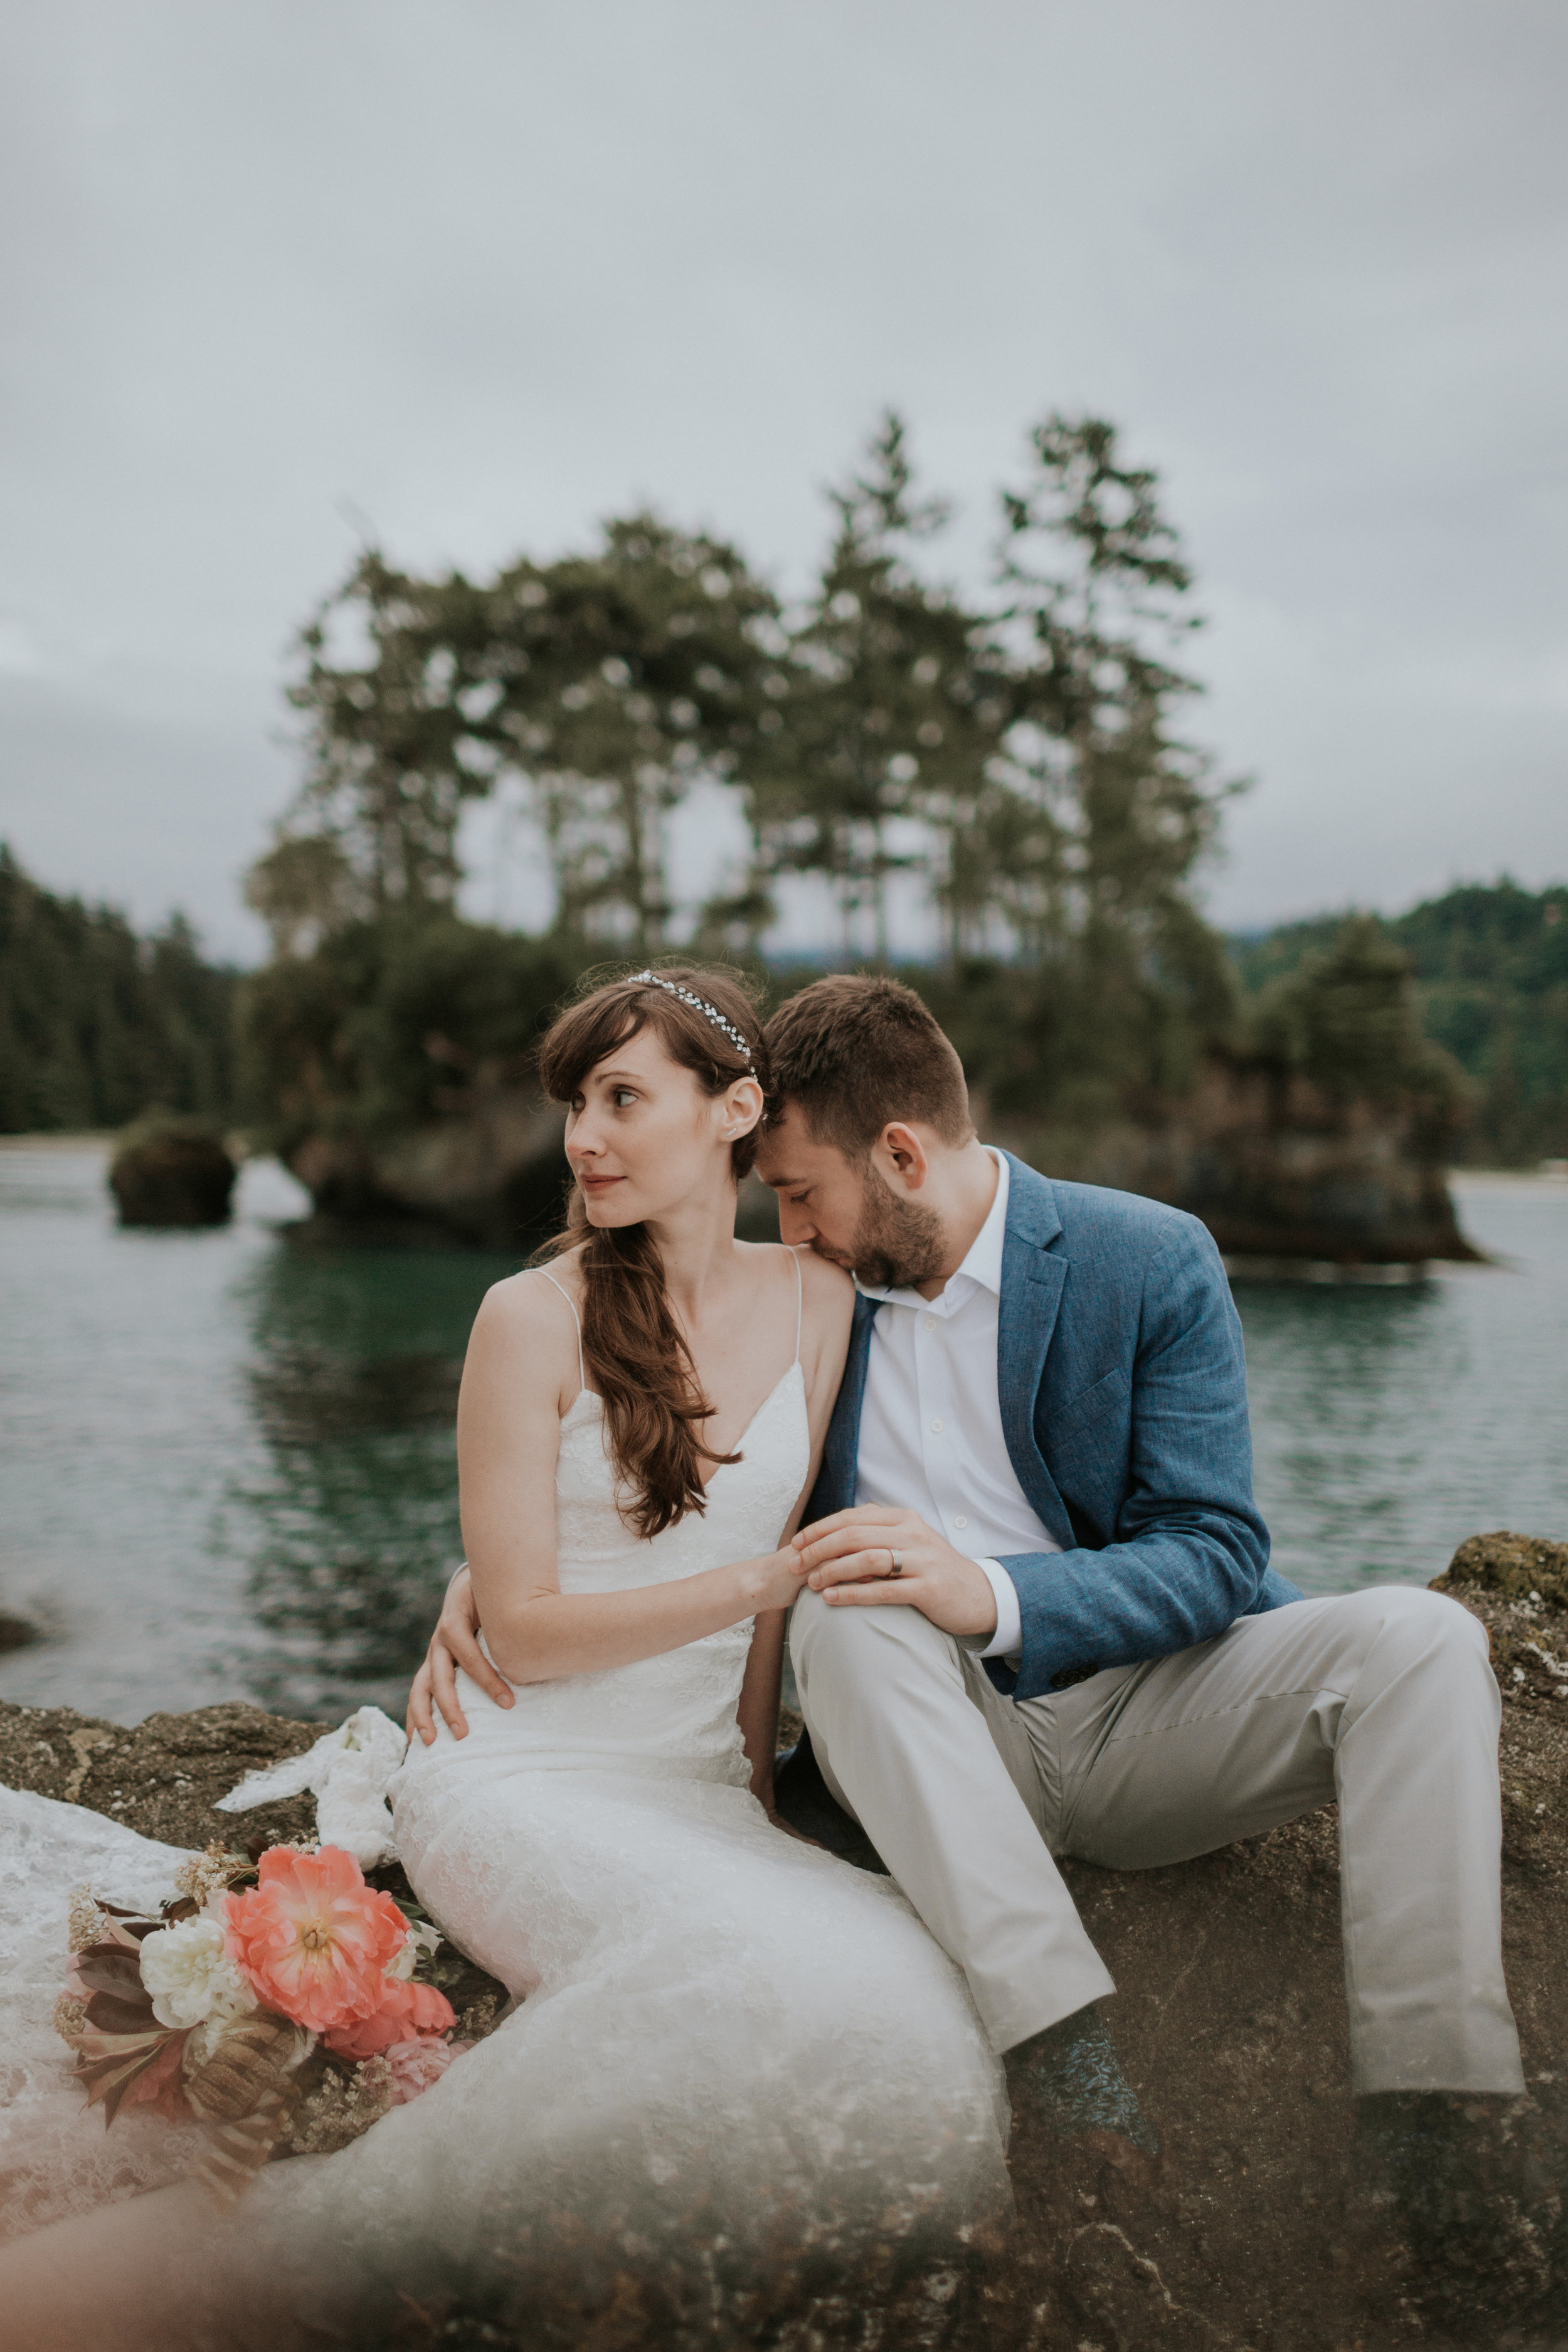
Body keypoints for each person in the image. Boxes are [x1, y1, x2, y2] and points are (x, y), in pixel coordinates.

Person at [414, 971, 1549, 2289]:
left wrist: (995, 1595)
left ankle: (1434, 2125)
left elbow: (1216, 1550)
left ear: (898, 1154)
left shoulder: (1145, 1257)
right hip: (930, 1736)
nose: (793, 1226)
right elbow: (691, 1487)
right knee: (849, 1603)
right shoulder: (817, 1300)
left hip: (1144, 1715)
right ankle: (1064, 2048)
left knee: (1420, 1640)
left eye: (802, 1194)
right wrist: (486, 1580)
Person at [0, 968, 1009, 2351]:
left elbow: (769, 1624)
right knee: (736, 1977)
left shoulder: (824, 1296)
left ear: (737, 1110)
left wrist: (763, 1788)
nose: (582, 1139)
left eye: (619, 1099)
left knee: (897, 2000)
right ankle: (314, 2260)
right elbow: (528, 1622)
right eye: (573, 1106)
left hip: (701, 1784)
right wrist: (750, 1575)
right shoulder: (525, 1317)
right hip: (519, 1768)